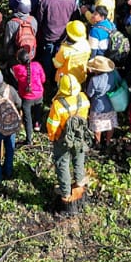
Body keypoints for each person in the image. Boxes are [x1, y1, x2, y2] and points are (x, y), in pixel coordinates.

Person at [46, 73, 92, 205]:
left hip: (63, 138)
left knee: (62, 163)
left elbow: (52, 124)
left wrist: (53, 137)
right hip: (80, 135)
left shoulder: (57, 105)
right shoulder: (84, 99)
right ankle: (79, 180)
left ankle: (65, 190)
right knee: (79, 157)